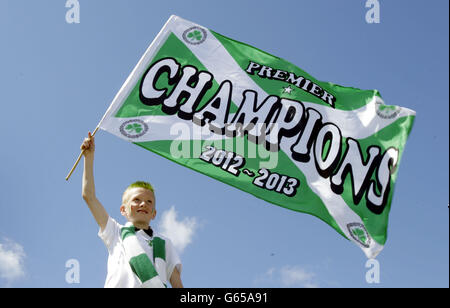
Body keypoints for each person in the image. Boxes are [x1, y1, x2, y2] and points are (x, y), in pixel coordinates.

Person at [80, 131, 183, 288]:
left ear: (154, 213)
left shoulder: (165, 243)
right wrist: (89, 157)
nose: (143, 204)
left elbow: (177, 283)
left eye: (149, 202)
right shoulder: (114, 232)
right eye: (136, 200)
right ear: (123, 210)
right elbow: (89, 196)